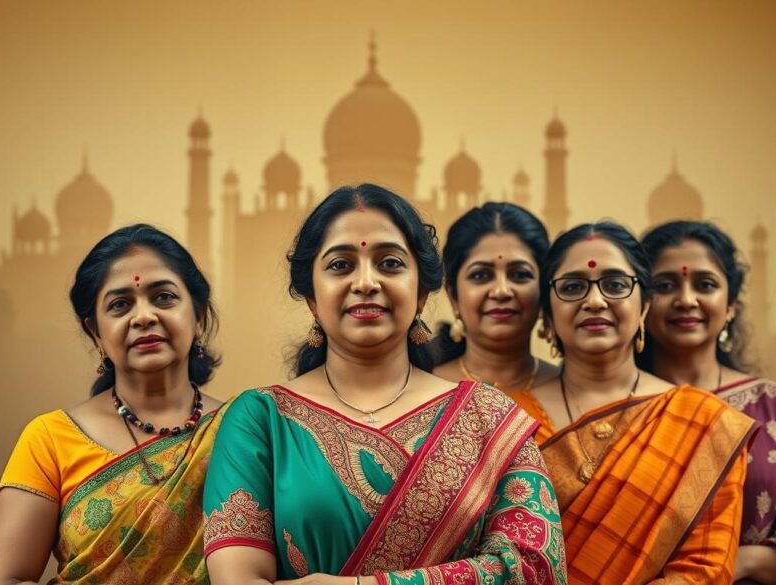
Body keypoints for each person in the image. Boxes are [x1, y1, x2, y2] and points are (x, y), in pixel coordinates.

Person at [203, 184, 566, 585]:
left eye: (389, 263)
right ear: (311, 296)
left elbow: (534, 570)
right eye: (340, 265)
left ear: (422, 292)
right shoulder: (260, 419)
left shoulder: (487, 416)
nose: (365, 282)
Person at [506, 221, 756, 584]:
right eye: (573, 287)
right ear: (546, 314)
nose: (594, 301)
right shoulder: (507, 420)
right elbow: (495, 558)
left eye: (616, 285)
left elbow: (704, 571)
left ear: (645, 306)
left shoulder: (706, 423)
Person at [0, 224, 228, 584]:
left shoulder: (244, 427)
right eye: (120, 305)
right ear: (96, 333)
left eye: (163, 297)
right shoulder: (49, 439)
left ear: (199, 318)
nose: (143, 316)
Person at [639, 220, 776, 585]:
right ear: (642, 303)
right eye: (665, 285)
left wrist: (742, 561)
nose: (686, 299)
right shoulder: (618, 408)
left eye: (705, 284)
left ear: (730, 305)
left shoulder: (773, 406)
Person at [430, 202, 560, 394]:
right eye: (480, 275)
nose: (501, 291)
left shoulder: (572, 393)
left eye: (520, 274)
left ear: (543, 290)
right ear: (452, 295)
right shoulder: (424, 392)